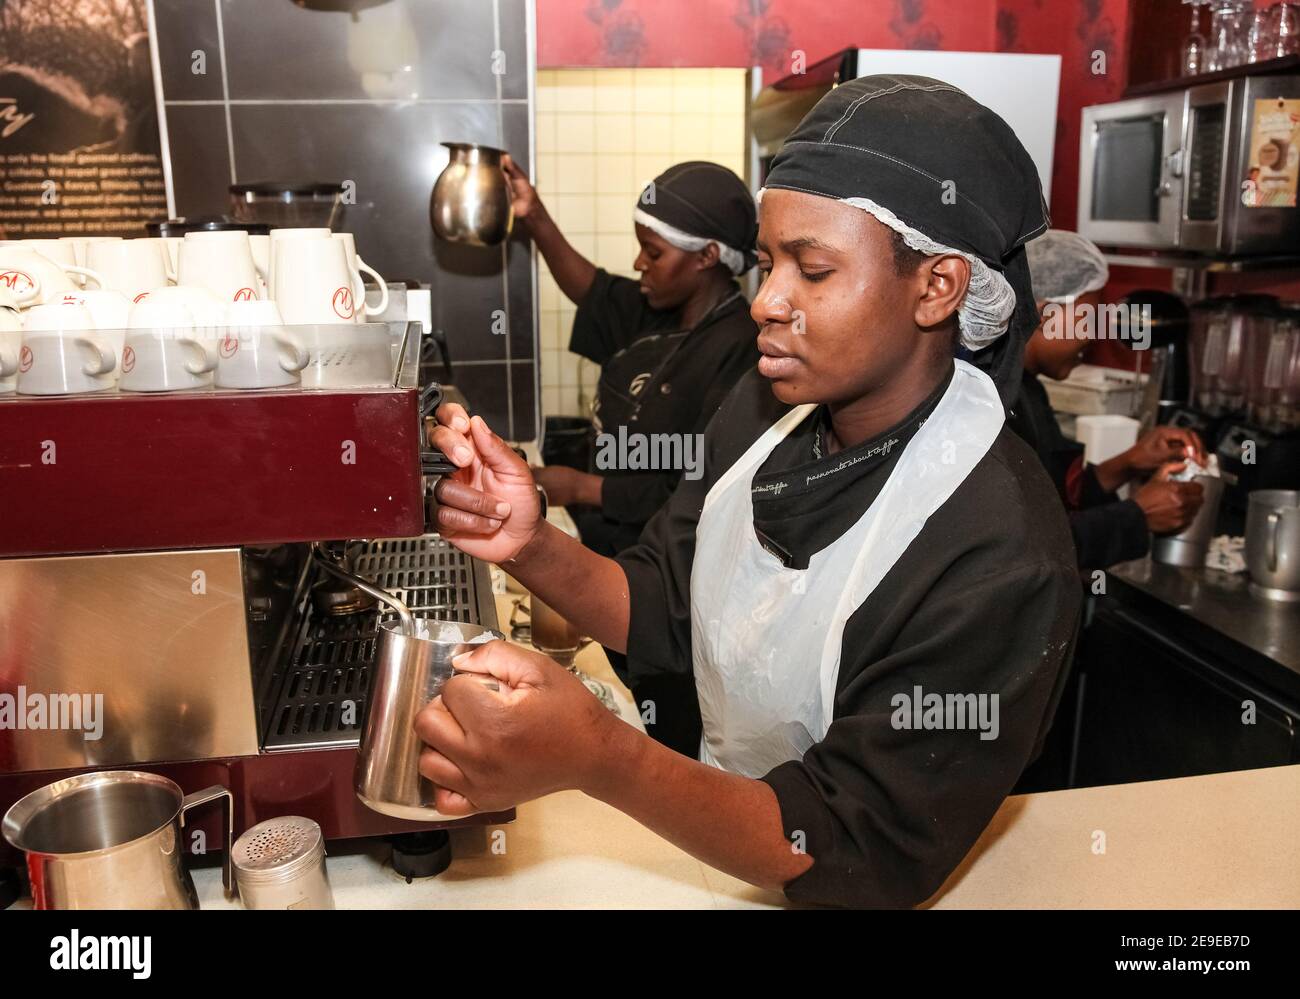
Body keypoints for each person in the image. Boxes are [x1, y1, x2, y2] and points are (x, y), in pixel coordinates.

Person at [423, 76, 1081, 908]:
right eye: (769, 263)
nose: (767, 301)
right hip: (715, 847)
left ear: (938, 286)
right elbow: (665, 603)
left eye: (814, 269)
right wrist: (531, 540)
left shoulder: (1002, 551)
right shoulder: (769, 413)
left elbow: (853, 843)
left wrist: (601, 756)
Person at [503, 156, 761, 557]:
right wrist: (533, 215)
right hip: (609, 538)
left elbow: (698, 476)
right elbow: (591, 292)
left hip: (663, 556)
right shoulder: (655, 308)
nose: (640, 263)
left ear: (707, 256)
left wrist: (579, 487)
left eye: (653, 254)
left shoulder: (741, 349)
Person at [1010, 229, 1206, 570]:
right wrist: (1137, 517)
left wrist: (1128, 463)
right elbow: (1022, 553)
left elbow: (1054, 497)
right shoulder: (996, 402)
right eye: (1089, 317)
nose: (1095, 334)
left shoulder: (1029, 388)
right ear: (1048, 315)